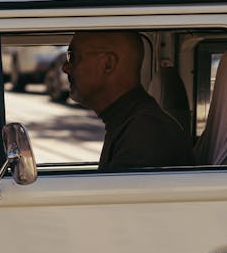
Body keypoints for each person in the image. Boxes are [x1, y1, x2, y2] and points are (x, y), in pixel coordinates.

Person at [63, 30, 194, 171]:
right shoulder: (130, 123)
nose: (65, 68)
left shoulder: (145, 133)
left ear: (108, 64)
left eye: (73, 57)